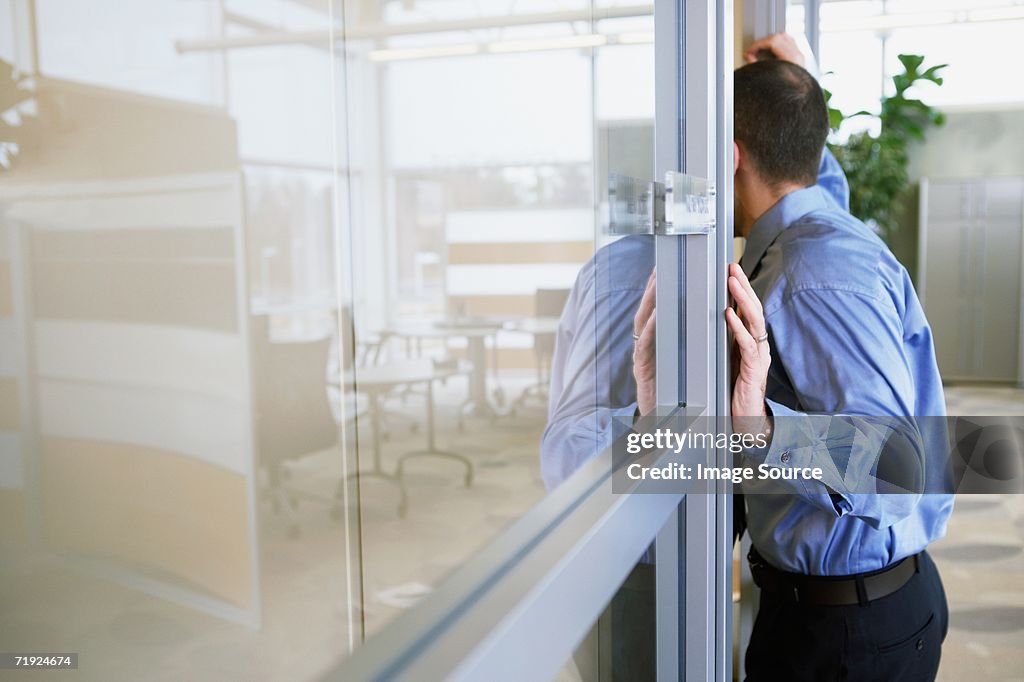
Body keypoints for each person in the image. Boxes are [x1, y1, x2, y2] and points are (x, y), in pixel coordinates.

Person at [633, 33, 953, 682]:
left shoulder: (816, 271)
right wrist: (799, 88)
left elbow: (895, 468)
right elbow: (809, 176)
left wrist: (761, 426)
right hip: (833, 613)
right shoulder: (816, 230)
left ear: (728, 156)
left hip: (844, 635)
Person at [539, 36, 851, 681]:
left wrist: (802, 88)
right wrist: (651, 429)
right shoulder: (632, 273)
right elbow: (565, 455)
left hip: (704, 561)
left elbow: (806, 200)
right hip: (633, 576)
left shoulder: (742, 263)